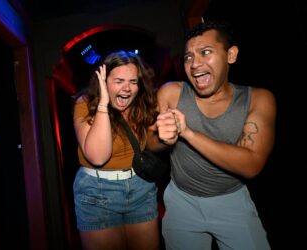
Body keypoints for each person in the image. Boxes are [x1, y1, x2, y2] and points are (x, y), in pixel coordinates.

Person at [146, 21, 276, 249]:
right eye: (188, 57)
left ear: (231, 55)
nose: (195, 64)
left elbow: (252, 164)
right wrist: (163, 138)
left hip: (232, 202)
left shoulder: (257, 99)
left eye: (205, 52)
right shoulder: (171, 93)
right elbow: (149, 143)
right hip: (181, 201)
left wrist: (187, 133)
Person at [72, 50, 160, 250]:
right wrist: (103, 103)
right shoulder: (86, 104)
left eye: (133, 81)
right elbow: (97, 156)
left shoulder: (141, 105)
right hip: (97, 192)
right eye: (119, 80)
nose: (127, 88)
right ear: (103, 80)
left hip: (140, 188)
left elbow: (153, 144)